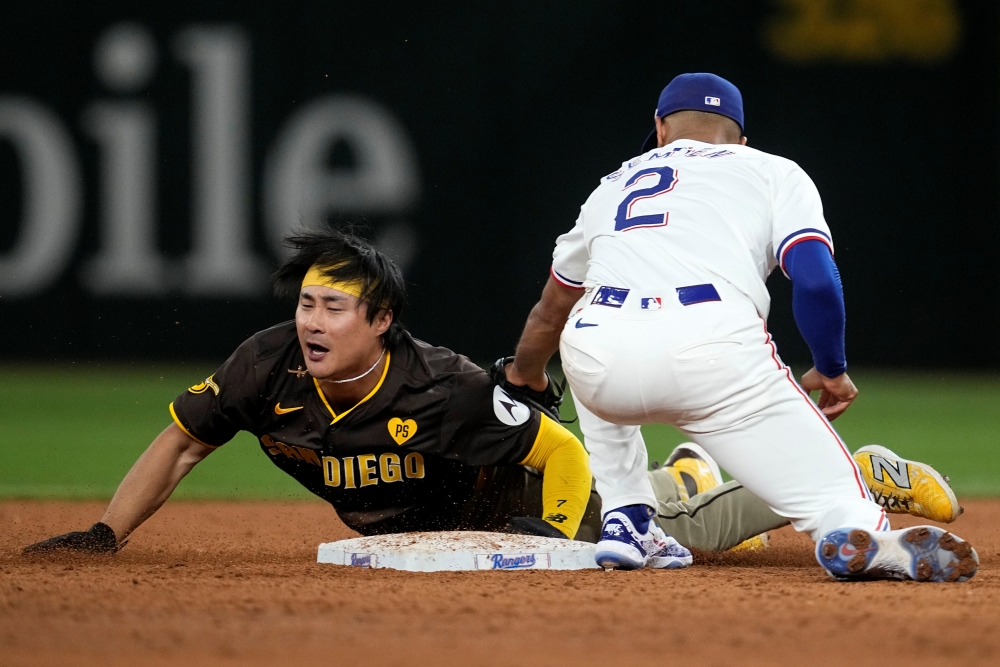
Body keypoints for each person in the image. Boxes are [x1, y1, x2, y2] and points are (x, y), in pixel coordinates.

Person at [23, 228, 961, 562]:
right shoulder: (262, 368)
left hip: (545, 499)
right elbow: (182, 440)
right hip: (463, 524)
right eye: (306, 301)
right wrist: (109, 533)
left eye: (334, 306)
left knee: (689, 532)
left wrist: (560, 550)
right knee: (678, 496)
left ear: (381, 318)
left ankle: (857, 474)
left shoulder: (441, 384)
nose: (311, 320)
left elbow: (555, 448)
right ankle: (685, 465)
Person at [504, 73, 979, 582]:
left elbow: (552, 310)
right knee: (837, 501)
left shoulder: (611, 185)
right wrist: (831, 367)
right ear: (741, 139)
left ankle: (626, 516)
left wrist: (523, 374)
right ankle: (851, 528)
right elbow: (817, 283)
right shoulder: (772, 171)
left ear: (661, 128)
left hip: (598, 356)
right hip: (712, 350)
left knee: (590, 321)